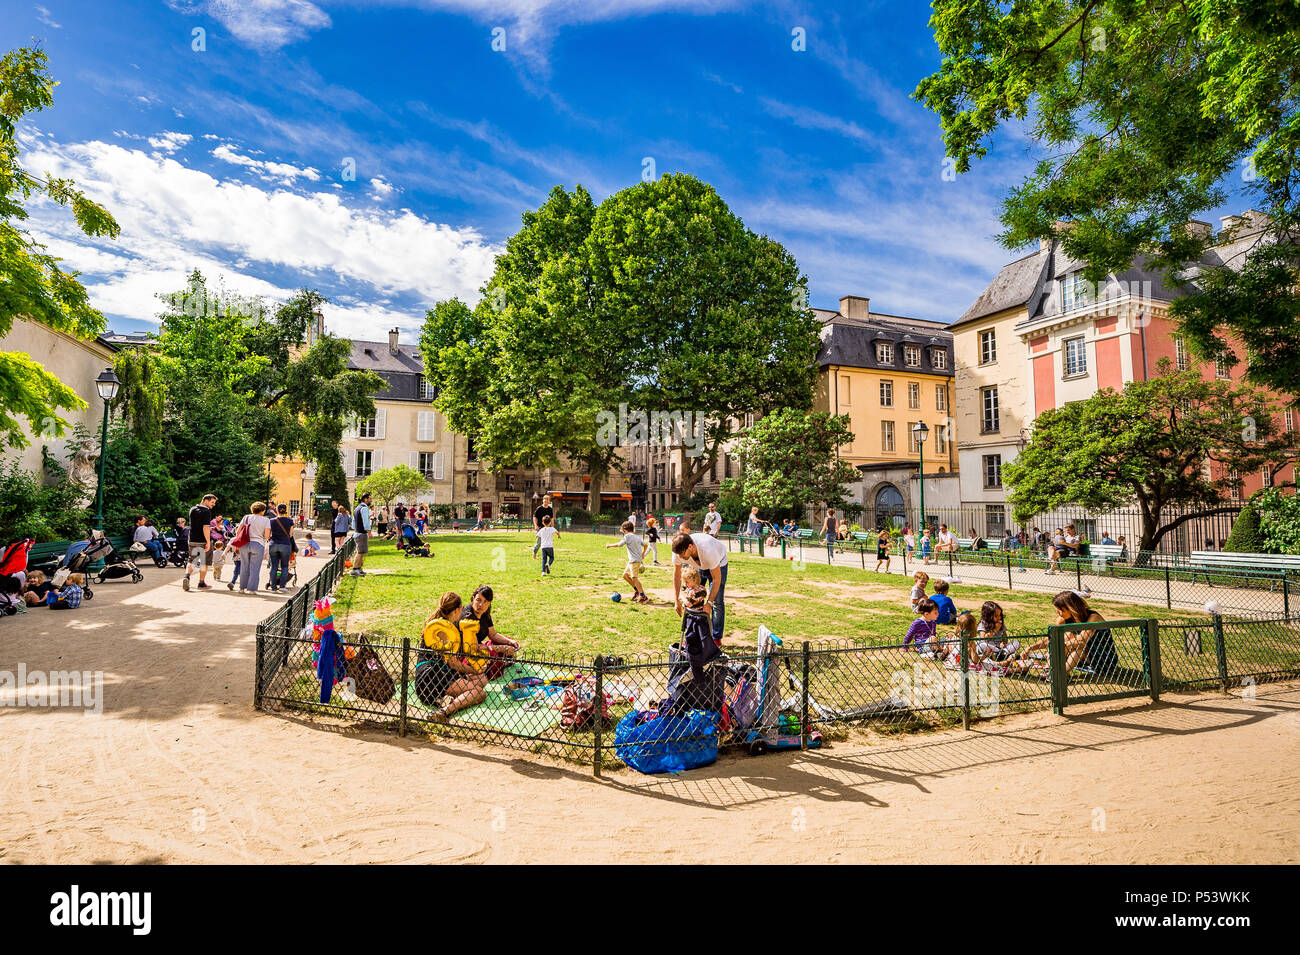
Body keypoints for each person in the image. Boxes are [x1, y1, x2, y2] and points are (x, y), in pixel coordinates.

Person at [415, 592, 489, 721]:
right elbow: (453, 663)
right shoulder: (444, 630)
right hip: (432, 676)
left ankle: (446, 699)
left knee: (482, 679)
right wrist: (474, 670)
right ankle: (444, 711)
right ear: (456, 610)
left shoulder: (446, 623)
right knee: (479, 693)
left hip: (441, 672)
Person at [1019, 591, 1119, 676]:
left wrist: (1059, 646)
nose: (1057, 612)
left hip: (1104, 660)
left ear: (1071, 608)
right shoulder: (1063, 619)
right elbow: (1051, 639)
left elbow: (1082, 641)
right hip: (1083, 658)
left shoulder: (1093, 617)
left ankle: (1061, 674)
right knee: (1065, 636)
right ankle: (1049, 669)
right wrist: (1030, 648)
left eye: (1060, 609)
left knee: (1078, 645)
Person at [671, 530, 728, 643]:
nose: (680, 557)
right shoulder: (679, 551)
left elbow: (716, 579)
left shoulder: (708, 550)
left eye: (682, 554)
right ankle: (694, 636)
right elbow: (677, 575)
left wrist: (709, 603)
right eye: (678, 555)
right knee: (693, 600)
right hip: (698, 565)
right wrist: (676, 600)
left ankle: (716, 638)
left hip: (719, 565)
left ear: (690, 546)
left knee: (717, 602)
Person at [460, 584, 519, 670]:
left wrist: (509, 641)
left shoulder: (485, 613)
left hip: (480, 647)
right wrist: (500, 649)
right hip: (467, 652)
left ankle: (503, 662)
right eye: (478, 600)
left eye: (485, 602)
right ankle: (502, 663)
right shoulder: (468, 617)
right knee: (492, 656)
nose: (481, 605)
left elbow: (493, 634)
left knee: (506, 642)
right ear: (473, 599)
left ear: (489, 603)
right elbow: (473, 647)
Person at [606, 520, 648, 604]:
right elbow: (645, 544)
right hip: (632, 561)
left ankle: (643, 596)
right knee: (625, 575)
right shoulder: (636, 537)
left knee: (634, 578)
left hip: (635, 561)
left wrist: (609, 545)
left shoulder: (627, 536)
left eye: (623, 530)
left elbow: (619, 544)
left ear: (625, 530)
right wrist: (643, 554)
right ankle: (637, 591)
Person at [183, 493, 218, 592]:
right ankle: (201, 582)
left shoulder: (192, 509)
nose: (213, 504)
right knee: (204, 562)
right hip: (203, 541)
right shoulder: (206, 511)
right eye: (212, 502)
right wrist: (208, 542)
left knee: (192, 560)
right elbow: (206, 527)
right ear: (206, 500)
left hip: (193, 539)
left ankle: (187, 576)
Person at [236, 502, 272, 593]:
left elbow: (238, 532)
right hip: (258, 544)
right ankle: (252, 589)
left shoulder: (246, 517)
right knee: (255, 567)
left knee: (244, 566)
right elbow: (267, 536)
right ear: (263, 510)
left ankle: (242, 588)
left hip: (244, 543)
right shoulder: (266, 520)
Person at [971, 601, 1019, 667]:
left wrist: (1003, 642)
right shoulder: (983, 624)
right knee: (982, 645)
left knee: (1016, 643)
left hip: (999, 648)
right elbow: (983, 639)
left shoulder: (1000, 624)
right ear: (988, 616)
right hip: (988, 647)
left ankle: (1000, 655)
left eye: (1000, 615)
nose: (999, 618)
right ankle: (1001, 655)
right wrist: (995, 629)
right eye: (996, 616)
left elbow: (1005, 636)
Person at [267, 503, 296, 592]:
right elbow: (290, 535)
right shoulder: (290, 521)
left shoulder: (271, 521)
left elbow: (268, 535)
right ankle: (282, 586)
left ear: (277, 510)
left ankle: (273, 586)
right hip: (285, 544)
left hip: (273, 544)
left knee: (274, 566)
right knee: (284, 566)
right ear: (285, 510)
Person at [351, 492, 373, 576]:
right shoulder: (364, 508)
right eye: (370, 499)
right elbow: (366, 522)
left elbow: (353, 522)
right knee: (360, 552)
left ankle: (359, 568)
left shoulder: (357, 508)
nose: (370, 500)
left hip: (358, 532)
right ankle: (355, 569)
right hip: (361, 533)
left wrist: (356, 529)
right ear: (365, 499)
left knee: (361, 551)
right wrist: (369, 532)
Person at [532, 493, 554, 559]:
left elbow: (552, 519)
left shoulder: (550, 509)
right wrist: (535, 525)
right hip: (540, 528)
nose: (546, 501)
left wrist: (552, 528)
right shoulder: (539, 508)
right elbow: (535, 517)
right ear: (543, 500)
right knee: (539, 542)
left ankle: (545, 555)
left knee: (547, 543)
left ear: (549, 501)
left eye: (547, 499)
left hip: (548, 528)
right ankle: (534, 552)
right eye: (544, 499)